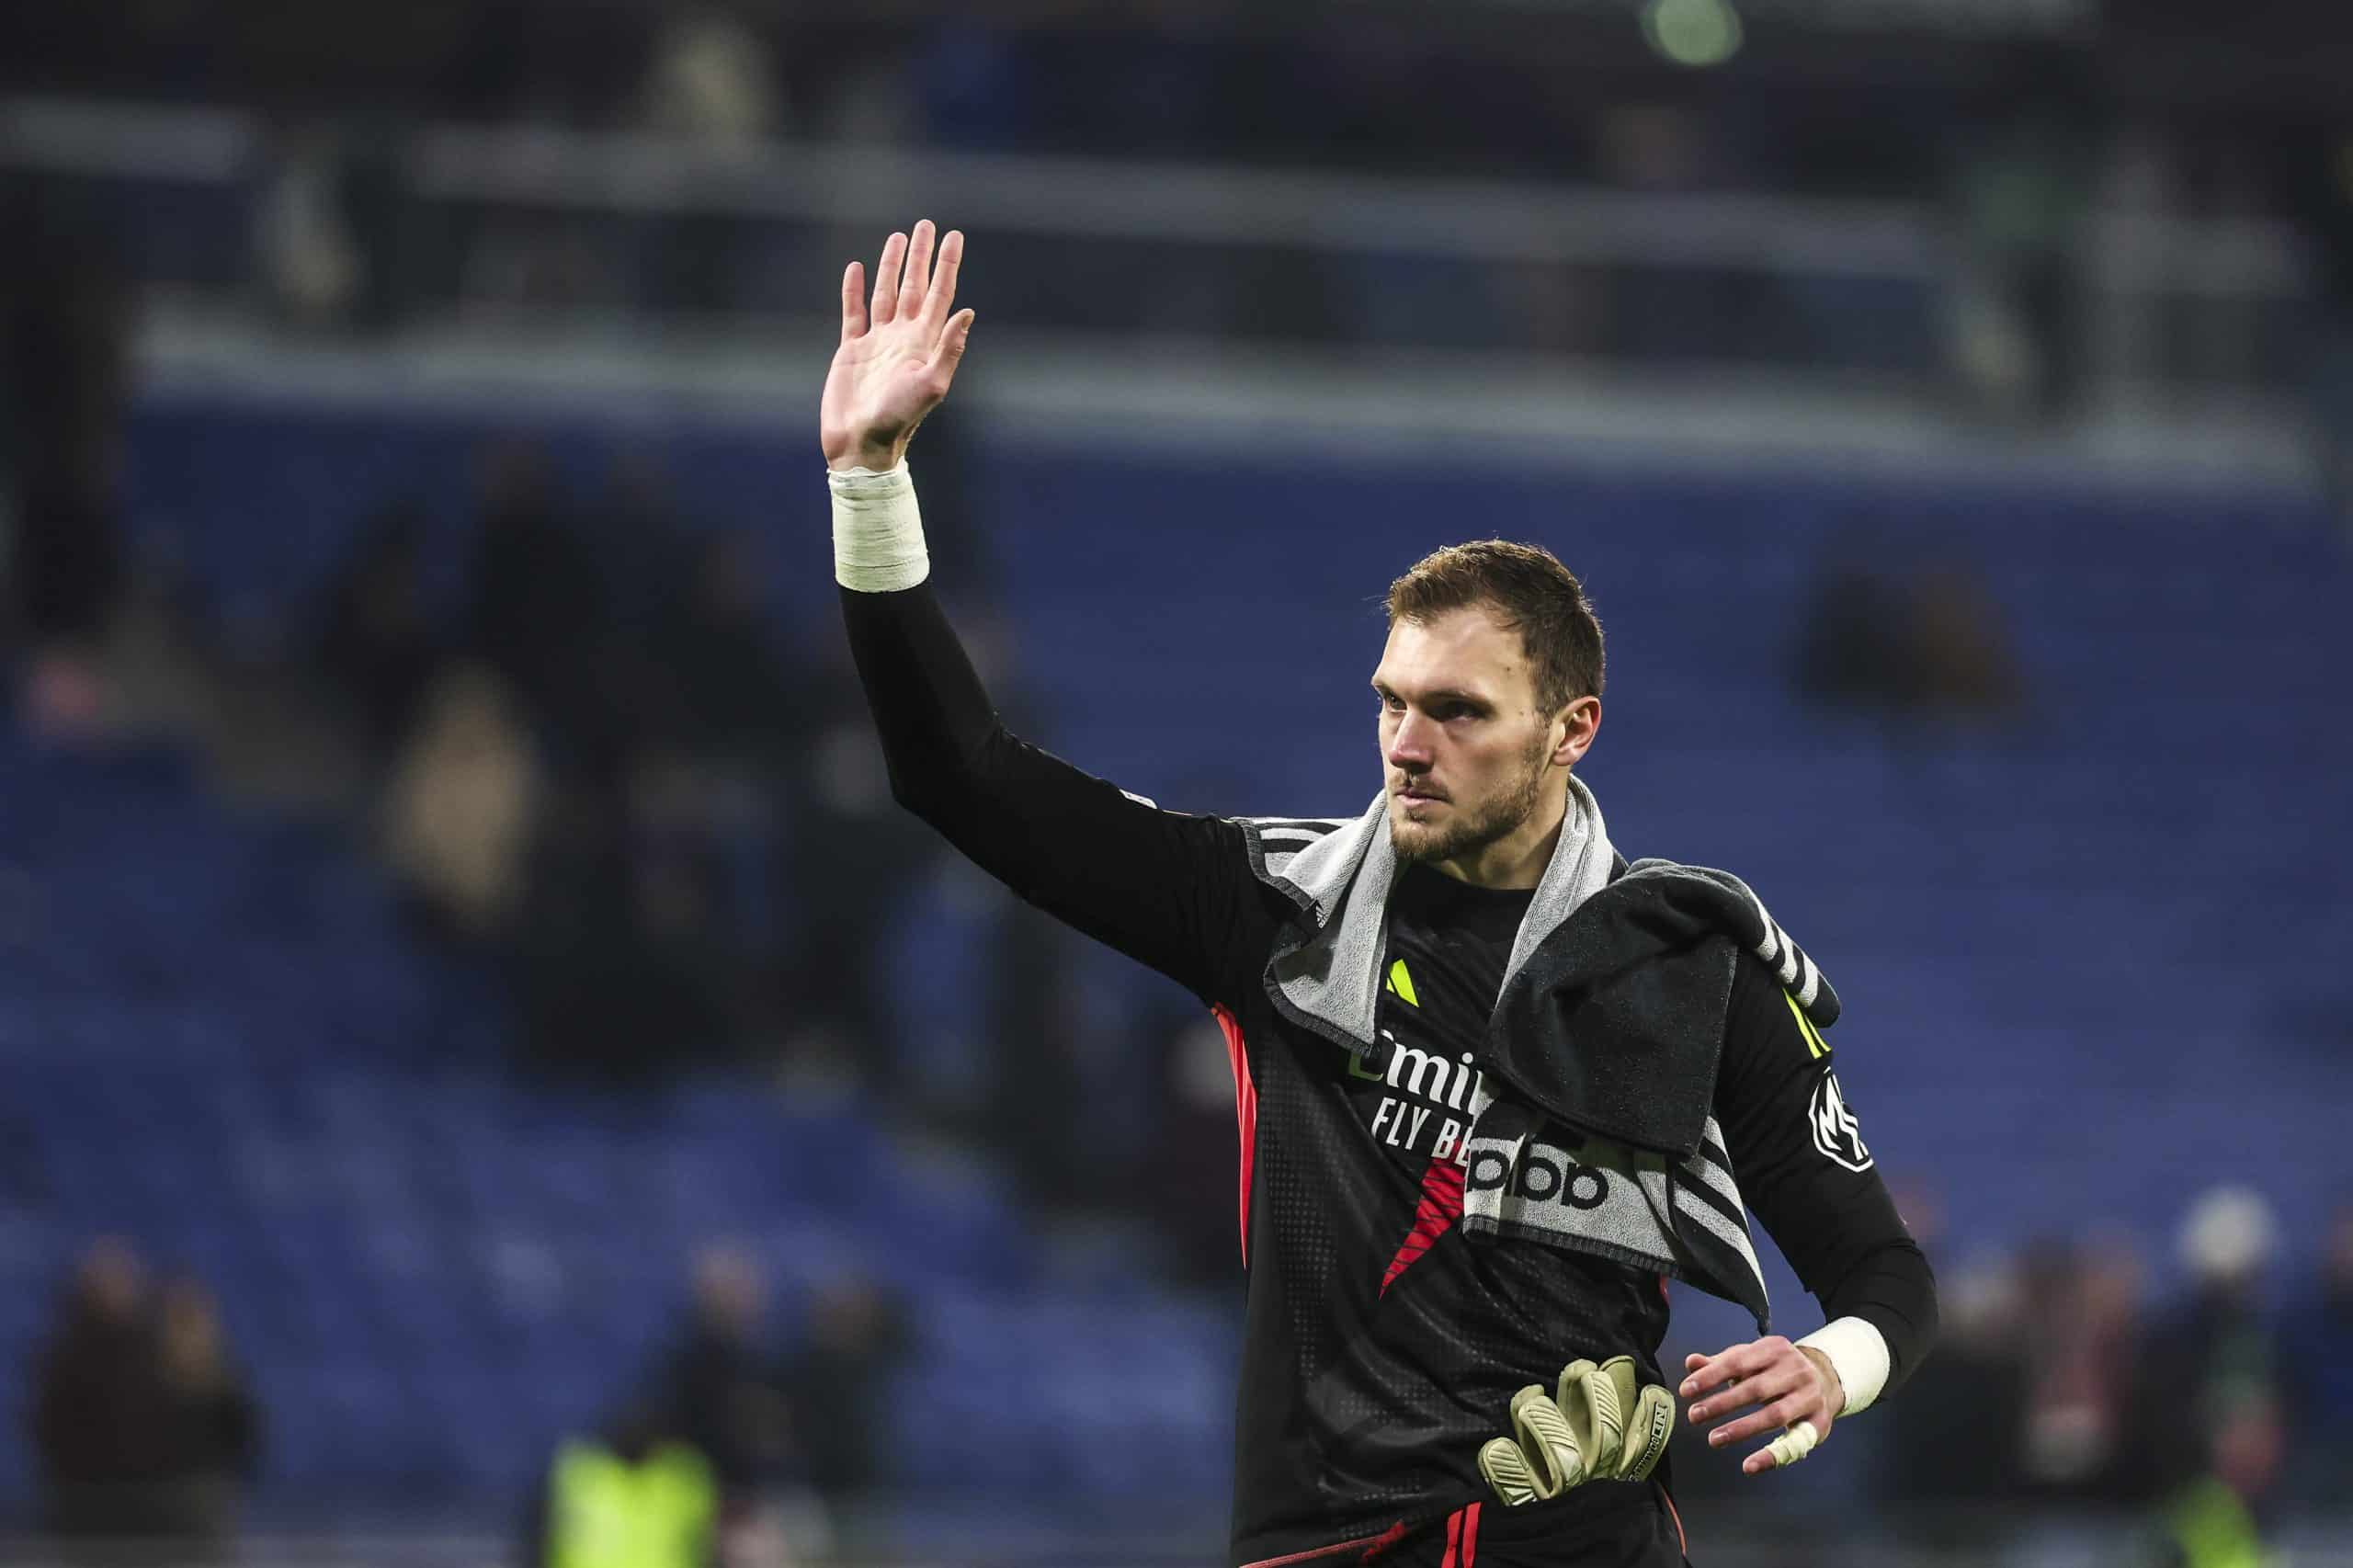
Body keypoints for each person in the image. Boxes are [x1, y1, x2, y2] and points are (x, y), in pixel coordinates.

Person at [818, 221, 1938, 1568]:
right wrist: (872, 480)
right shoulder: (1272, 908)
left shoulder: (1691, 963)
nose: (1408, 742)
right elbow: (963, 775)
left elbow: (1882, 1271)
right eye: (1393, 703)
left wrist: (1833, 1367)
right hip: (1325, 1548)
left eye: (1458, 711)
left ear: (1571, 728)